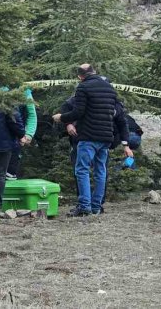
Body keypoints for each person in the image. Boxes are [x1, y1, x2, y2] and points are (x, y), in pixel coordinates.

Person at [52, 64, 119, 217]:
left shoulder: (83, 87)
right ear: (94, 72)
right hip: (106, 136)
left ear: (80, 76)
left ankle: (84, 207)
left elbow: (78, 111)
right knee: (100, 171)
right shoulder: (109, 88)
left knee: (82, 170)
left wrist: (61, 118)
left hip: (88, 136)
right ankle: (96, 207)